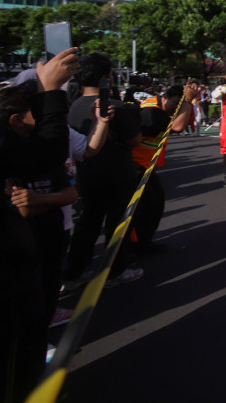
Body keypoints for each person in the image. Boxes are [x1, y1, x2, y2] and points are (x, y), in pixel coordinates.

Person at [0, 48, 78, 403]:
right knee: (17, 342)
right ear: (15, 120)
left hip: (35, 252)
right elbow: (49, 152)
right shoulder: (6, 144)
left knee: (32, 325)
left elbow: (64, 182)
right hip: (9, 268)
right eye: (37, 113)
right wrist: (51, 92)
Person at [62, 53, 145, 289]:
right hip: (118, 174)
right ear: (105, 77)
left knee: (88, 222)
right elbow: (134, 139)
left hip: (87, 174)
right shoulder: (112, 106)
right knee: (118, 224)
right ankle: (115, 271)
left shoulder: (74, 106)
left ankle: (75, 271)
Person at [128, 83, 196, 251]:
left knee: (152, 203)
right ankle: (136, 246)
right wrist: (188, 100)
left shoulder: (156, 107)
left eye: (179, 104)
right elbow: (178, 127)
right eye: (175, 103)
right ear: (165, 98)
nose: (176, 108)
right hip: (136, 166)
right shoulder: (153, 111)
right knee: (148, 205)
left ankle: (141, 242)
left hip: (143, 166)